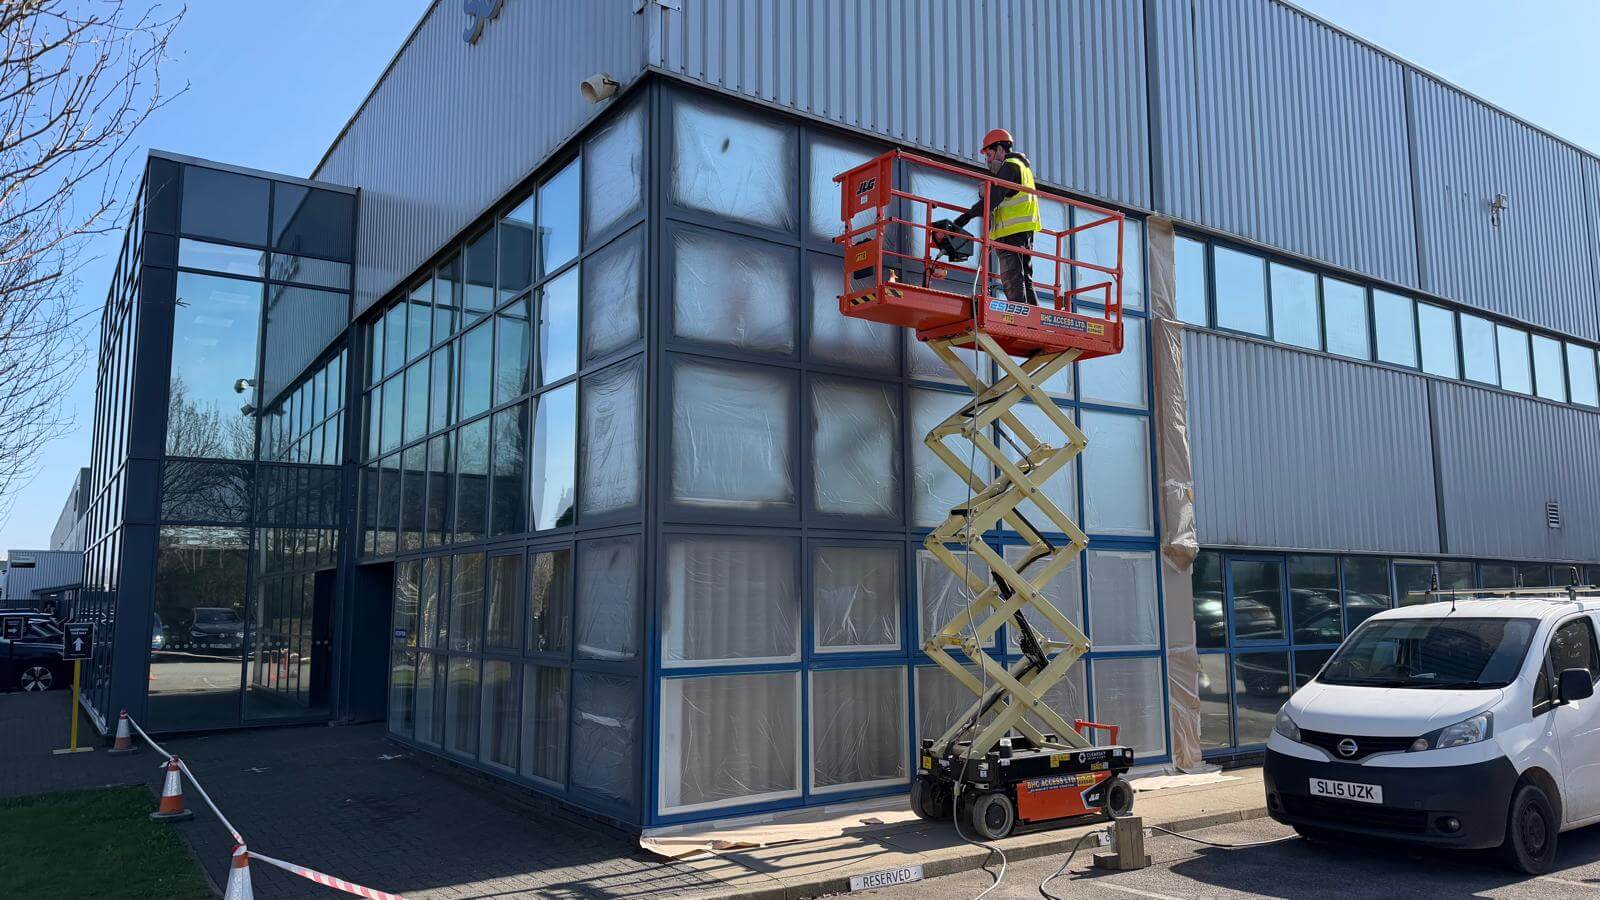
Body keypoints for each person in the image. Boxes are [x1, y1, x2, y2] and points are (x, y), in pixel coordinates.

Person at [953, 128, 1041, 305]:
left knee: (1012, 278)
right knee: (1024, 279)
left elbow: (994, 198)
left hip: (1011, 234)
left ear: (1000, 149)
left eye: (989, 155)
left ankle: (1020, 316)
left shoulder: (1010, 167)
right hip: (1024, 232)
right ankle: (1033, 315)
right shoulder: (1022, 167)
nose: (988, 161)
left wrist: (967, 216)